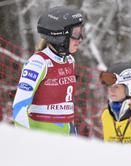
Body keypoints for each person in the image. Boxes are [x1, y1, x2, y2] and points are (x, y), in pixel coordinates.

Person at [12, 6, 85, 135]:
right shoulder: (38, 63)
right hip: (43, 140)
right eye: (75, 33)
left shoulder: (69, 61)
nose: (80, 39)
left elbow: (64, 104)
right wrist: (26, 140)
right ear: (59, 36)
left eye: (81, 32)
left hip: (66, 137)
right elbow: (19, 107)